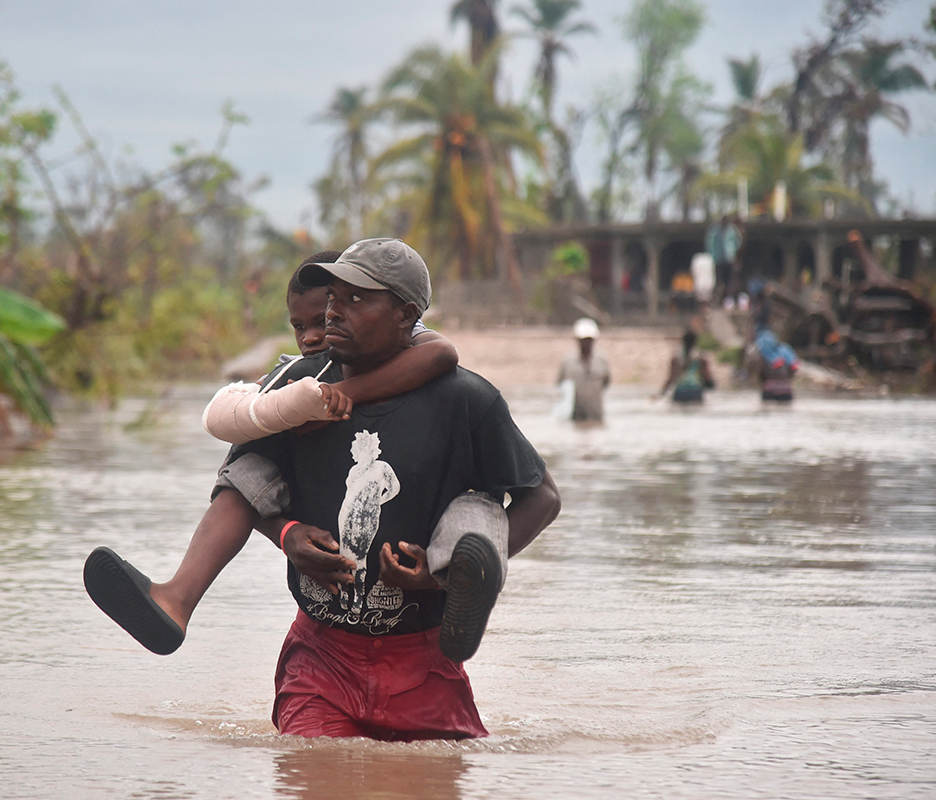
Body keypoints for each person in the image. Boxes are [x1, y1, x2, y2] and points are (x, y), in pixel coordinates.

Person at [240, 237, 560, 740]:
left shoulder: (463, 400)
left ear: (406, 315)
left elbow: (541, 498)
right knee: (317, 773)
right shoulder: (302, 390)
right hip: (320, 659)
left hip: (425, 664)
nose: (332, 313)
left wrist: (444, 579)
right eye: (333, 297)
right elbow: (243, 490)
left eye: (356, 300)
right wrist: (286, 535)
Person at [83, 251, 462, 657]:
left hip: (402, 587)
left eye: (324, 319)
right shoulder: (302, 376)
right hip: (320, 556)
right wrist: (285, 533)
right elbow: (241, 477)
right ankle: (177, 598)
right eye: (300, 326)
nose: (313, 337)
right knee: (247, 470)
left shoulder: (412, 361)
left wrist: (346, 395)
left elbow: (442, 352)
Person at [558, 318, 610, 422]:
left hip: (596, 415)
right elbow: (561, 385)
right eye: (583, 340)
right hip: (574, 416)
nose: (586, 343)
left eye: (589, 339)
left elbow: (606, 383)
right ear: (577, 340)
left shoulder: (602, 361)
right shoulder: (568, 362)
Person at [746, 317, 799, 403]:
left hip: (769, 391)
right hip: (786, 391)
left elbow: (759, 373)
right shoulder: (786, 351)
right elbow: (793, 370)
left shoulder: (762, 354)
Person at [659, 330, 715, 404]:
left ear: (683, 341)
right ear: (695, 342)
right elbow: (706, 376)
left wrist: (662, 393)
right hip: (695, 391)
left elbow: (672, 377)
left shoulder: (676, 358)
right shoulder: (700, 358)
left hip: (680, 391)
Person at [706, 215, 743, 302]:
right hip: (718, 259)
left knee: (730, 280)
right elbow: (710, 244)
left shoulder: (732, 230)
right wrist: (712, 256)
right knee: (719, 280)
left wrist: (734, 253)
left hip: (730, 259)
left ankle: (728, 298)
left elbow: (738, 241)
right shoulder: (714, 231)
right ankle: (718, 298)